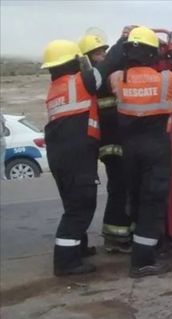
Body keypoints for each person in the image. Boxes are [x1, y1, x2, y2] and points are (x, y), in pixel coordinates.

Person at [109, 26, 172, 277]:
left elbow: (108, 68)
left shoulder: (116, 79)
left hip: (129, 151)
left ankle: (139, 249)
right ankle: (142, 262)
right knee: (152, 203)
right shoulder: (167, 79)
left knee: (135, 199)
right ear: (152, 53)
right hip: (156, 149)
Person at [41, 39, 121, 276]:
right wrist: (123, 40)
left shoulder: (57, 87)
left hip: (61, 155)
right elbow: (108, 65)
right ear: (74, 61)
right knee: (81, 206)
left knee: (72, 203)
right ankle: (66, 263)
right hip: (76, 155)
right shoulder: (81, 81)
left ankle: (78, 248)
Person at [79, 32, 132, 253]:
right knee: (119, 187)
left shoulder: (99, 73)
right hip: (112, 142)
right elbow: (113, 62)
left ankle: (118, 234)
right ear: (88, 57)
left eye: (103, 51)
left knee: (120, 187)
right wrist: (123, 40)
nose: (103, 55)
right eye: (98, 52)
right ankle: (116, 239)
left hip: (114, 140)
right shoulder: (93, 76)